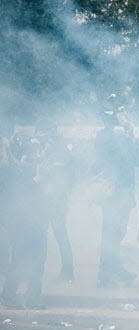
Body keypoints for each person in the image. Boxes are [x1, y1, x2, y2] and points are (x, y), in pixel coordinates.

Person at [91, 96, 139, 288]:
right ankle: (106, 273)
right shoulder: (107, 136)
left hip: (122, 188)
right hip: (114, 189)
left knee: (117, 231)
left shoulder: (116, 135)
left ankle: (113, 267)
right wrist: (127, 133)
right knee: (111, 231)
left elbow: (132, 159)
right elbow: (124, 156)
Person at [1, 134, 47, 309]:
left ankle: (15, 295)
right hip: (28, 223)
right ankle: (28, 297)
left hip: (25, 222)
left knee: (22, 259)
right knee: (32, 259)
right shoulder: (23, 176)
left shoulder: (16, 172)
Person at [35, 120, 77, 283]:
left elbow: (59, 174)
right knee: (46, 235)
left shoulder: (59, 150)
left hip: (56, 199)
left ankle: (68, 272)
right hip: (46, 198)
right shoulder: (47, 149)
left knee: (60, 235)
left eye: (43, 133)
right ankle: (35, 270)